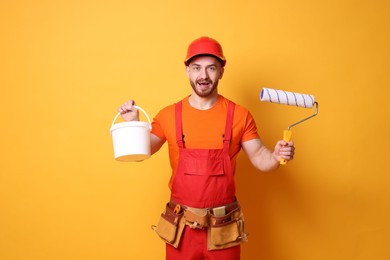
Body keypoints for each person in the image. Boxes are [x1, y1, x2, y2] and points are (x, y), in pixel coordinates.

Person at [118, 36, 295, 260]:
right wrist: (132, 124)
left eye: (211, 68)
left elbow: (261, 158)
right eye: (197, 68)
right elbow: (142, 151)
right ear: (187, 71)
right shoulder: (169, 115)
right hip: (180, 229)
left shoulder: (239, 115)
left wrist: (278, 155)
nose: (203, 76)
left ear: (221, 70)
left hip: (223, 229)